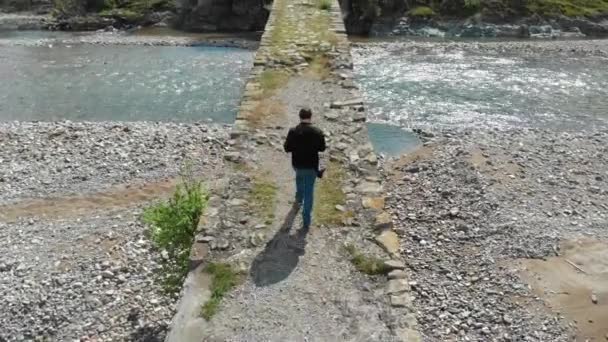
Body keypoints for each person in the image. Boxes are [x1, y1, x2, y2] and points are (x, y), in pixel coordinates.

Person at [283, 107, 326, 230]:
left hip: (297, 164)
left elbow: (287, 148)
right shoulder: (317, 132)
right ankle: (306, 220)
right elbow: (322, 148)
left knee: (299, 180)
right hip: (311, 166)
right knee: (309, 191)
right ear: (310, 117)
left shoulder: (293, 131)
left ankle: (298, 200)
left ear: (299, 116)